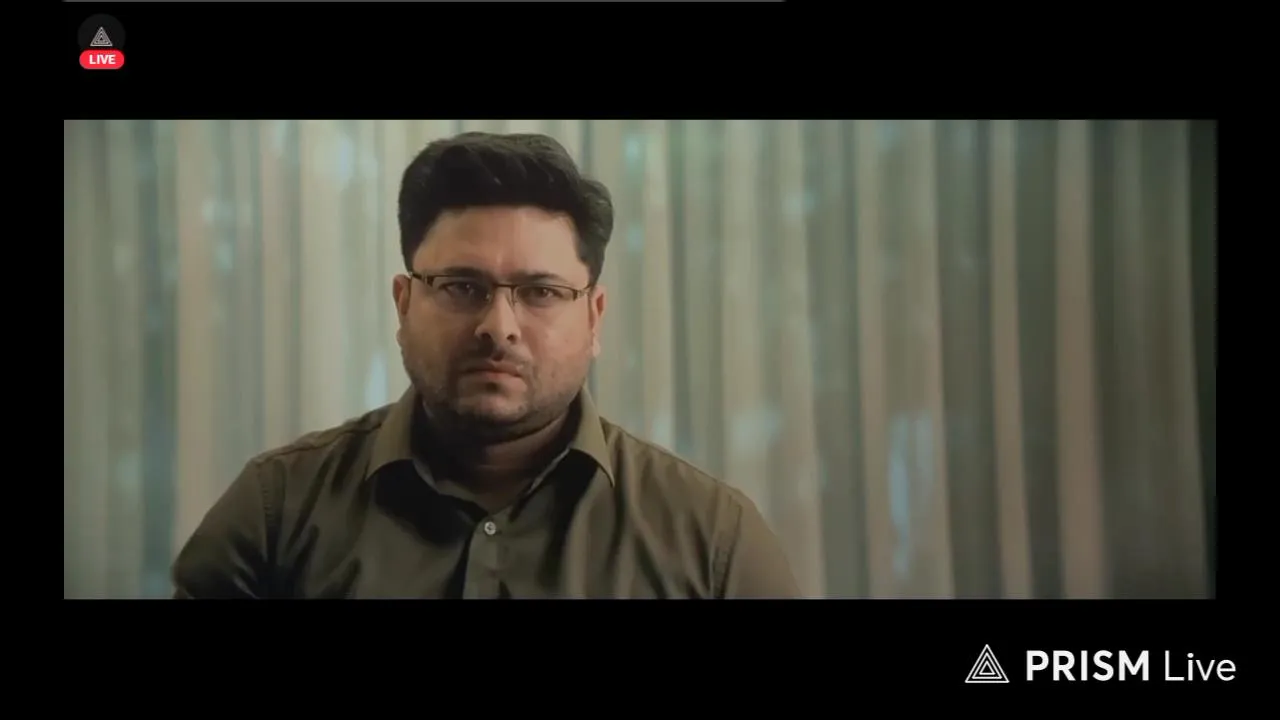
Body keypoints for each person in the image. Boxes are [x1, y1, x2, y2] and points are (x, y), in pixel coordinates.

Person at [171, 131, 800, 599]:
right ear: (403, 303)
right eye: (461, 286)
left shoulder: (712, 544)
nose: (499, 326)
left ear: (594, 317)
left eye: (541, 291)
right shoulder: (277, 513)